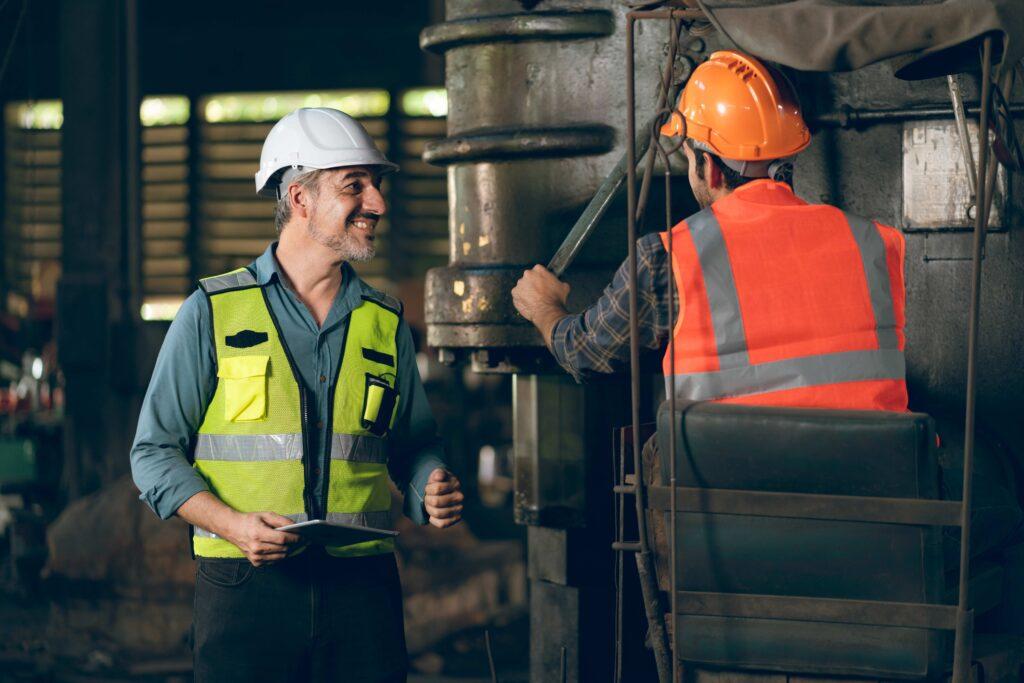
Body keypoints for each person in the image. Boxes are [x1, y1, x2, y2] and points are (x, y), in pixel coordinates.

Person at [130, 107, 464, 683]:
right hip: (244, 590)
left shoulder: (385, 322)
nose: (378, 204)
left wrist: (428, 484)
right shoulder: (212, 312)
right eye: (353, 185)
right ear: (300, 197)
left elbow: (413, 445)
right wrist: (232, 525)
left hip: (363, 590)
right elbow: (153, 454)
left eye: (376, 185)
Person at [512, 50, 908, 411]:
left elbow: (587, 353)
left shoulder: (671, 256)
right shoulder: (875, 241)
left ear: (710, 167)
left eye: (687, 158)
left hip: (735, 479)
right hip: (876, 477)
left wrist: (544, 307)